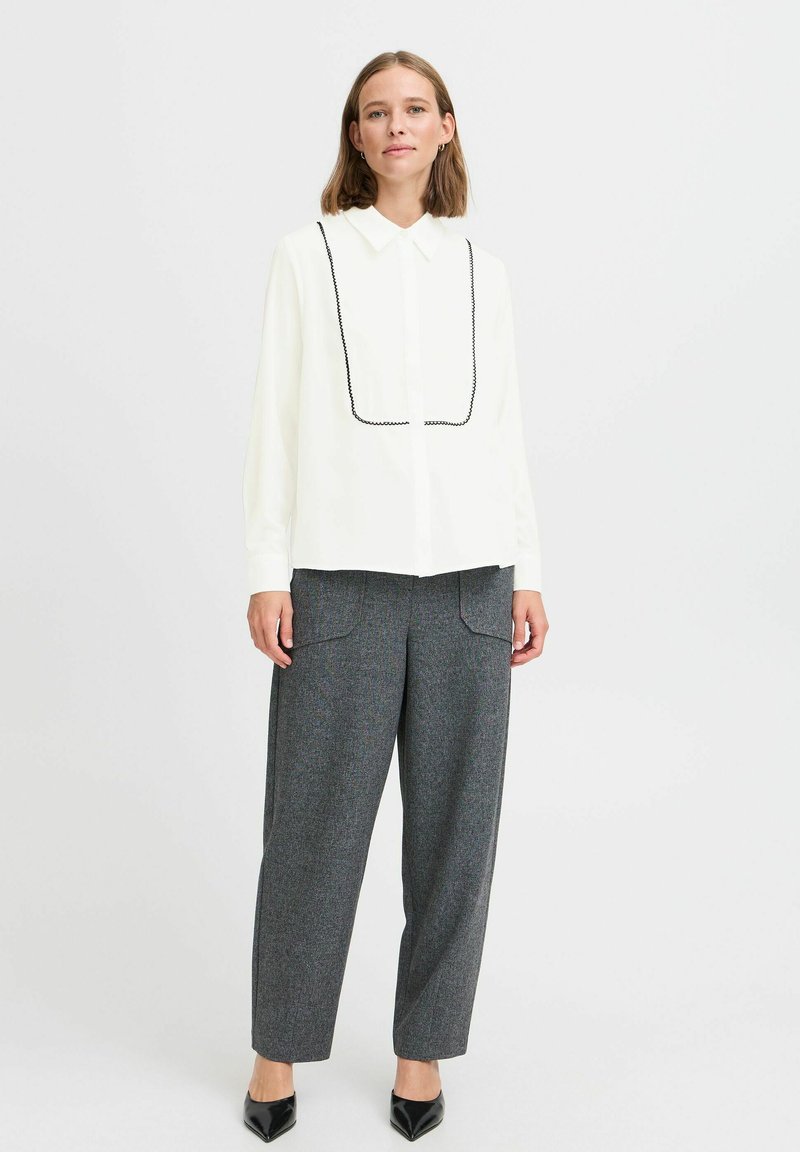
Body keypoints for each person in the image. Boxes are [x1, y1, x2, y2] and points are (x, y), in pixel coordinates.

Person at [241, 49, 549, 1143]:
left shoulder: (481, 271)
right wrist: (267, 569)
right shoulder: (308, 255)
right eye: (377, 112)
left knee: (456, 839)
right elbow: (276, 416)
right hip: (341, 583)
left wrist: (527, 570)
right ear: (356, 134)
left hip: (470, 583)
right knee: (312, 835)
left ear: (446, 127)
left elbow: (503, 427)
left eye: (416, 109)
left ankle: (423, 1052)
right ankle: (276, 1050)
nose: (397, 126)